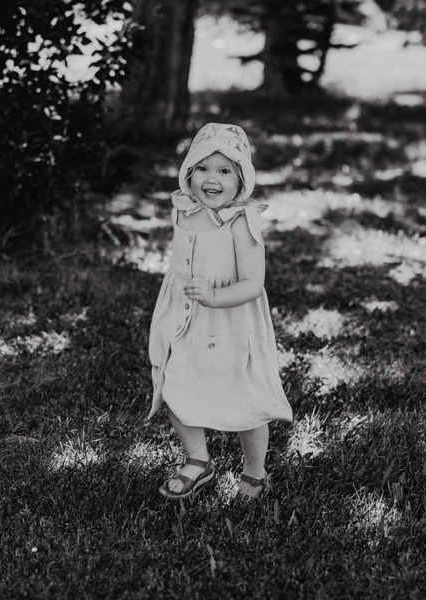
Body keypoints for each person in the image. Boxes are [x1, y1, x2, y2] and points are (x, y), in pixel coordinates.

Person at [147, 123, 293, 501]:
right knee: (175, 384)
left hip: (231, 318)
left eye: (225, 170)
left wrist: (214, 296)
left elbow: (252, 283)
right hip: (185, 316)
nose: (211, 179)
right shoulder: (183, 209)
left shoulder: (241, 221)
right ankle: (198, 460)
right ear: (188, 171)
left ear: (242, 177)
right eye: (202, 168)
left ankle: (254, 471)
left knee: (244, 396)